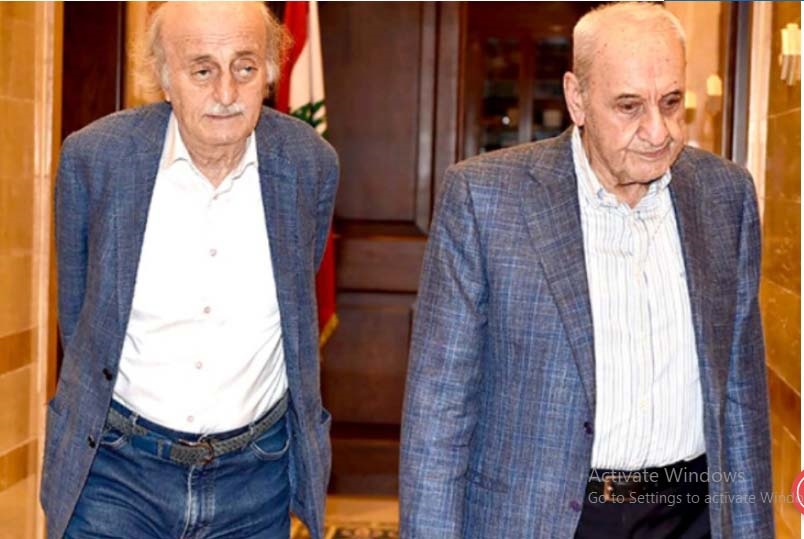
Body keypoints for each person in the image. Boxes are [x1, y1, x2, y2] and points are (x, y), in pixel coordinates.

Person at [400, 3, 773, 538]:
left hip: (690, 515)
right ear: (576, 98)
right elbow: (439, 411)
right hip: (546, 520)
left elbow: (740, 395)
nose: (657, 131)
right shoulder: (486, 198)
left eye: (671, 103)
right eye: (629, 106)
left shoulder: (725, 195)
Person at [40, 2, 338, 538]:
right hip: (116, 470)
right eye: (202, 70)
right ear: (164, 76)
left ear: (270, 72)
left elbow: (299, 290)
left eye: (245, 67)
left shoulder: (309, 163)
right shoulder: (96, 159)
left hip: (255, 477)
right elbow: (81, 318)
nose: (226, 92)